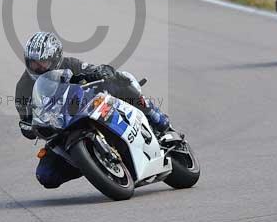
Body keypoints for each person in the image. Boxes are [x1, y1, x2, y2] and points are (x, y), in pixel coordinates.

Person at [15, 31, 171, 189]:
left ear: (56, 58)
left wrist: (101, 71)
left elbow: (93, 70)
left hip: (85, 108)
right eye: (33, 63)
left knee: (118, 80)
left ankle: (153, 114)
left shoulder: (70, 64)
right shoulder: (23, 87)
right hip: (59, 128)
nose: (38, 67)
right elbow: (26, 119)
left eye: (44, 63)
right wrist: (29, 127)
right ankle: (90, 162)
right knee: (46, 175)